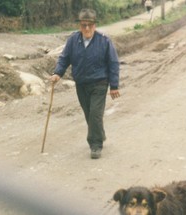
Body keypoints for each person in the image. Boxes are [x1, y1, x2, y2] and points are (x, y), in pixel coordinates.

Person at [50, 8, 120, 159]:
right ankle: (99, 134)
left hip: (99, 83)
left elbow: (113, 63)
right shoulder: (73, 40)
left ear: (95, 25)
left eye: (90, 25)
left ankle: (95, 145)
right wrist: (57, 73)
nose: (87, 28)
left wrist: (114, 86)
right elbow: (64, 58)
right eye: (83, 25)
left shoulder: (104, 40)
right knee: (89, 114)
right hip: (81, 84)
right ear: (79, 26)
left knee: (95, 114)